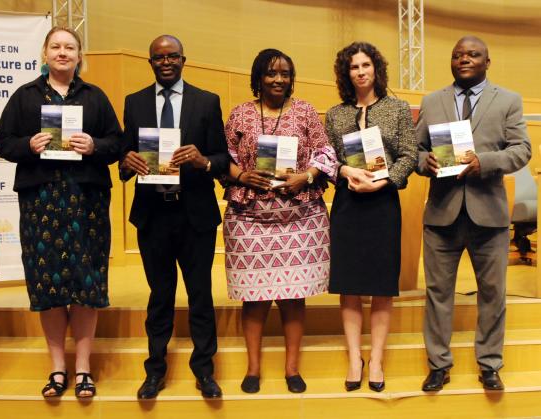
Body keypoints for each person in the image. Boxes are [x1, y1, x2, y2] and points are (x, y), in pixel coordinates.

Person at [0, 27, 122, 398]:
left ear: (80, 56)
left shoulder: (95, 97)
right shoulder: (25, 96)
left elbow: (117, 142)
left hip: (87, 202)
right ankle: (57, 369)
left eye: (70, 47)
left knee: (86, 281)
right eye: (56, 46)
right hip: (41, 203)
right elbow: (3, 141)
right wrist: (27, 145)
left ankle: (83, 369)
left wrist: (95, 144)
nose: (63, 52)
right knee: (47, 283)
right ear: (45, 53)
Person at [416, 36, 530, 392]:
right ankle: (438, 365)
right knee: (438, 293)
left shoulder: (508, 100)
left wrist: (485, 162)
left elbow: (521, 150)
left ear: (487, 61)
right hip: (441, 215)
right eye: (457, 55)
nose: (464, 59)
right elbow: (415, 150)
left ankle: (490, 364)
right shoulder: (432, 101)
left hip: (489, 217)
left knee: (493, 293)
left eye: (472, 54)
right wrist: (425, 162)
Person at [120, 35, 229, 399]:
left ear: (184, 59)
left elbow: (223, 159)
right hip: (153, 215)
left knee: (200, 295)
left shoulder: (207, 101)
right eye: (158, 57)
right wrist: (127, 160)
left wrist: (204, 161)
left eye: (172, 56)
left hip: (194, 213)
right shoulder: (133, 103)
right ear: (149, 62)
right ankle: (155, 371)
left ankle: (204, 371)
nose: (165, 62)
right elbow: (122, 155)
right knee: (160, 296)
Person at [223, 49, 339, 394]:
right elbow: (223, 157)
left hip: (299, 218)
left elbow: (326, 151)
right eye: (271, 73)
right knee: (254, 298)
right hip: (250, 219)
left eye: (285, 73)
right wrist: (243, 175)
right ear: (258, 77)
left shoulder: (304, 111)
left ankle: (291, 370)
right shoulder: (240, 114)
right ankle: (253, 370)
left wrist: (307, 175)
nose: (279, 79)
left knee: (293, 297)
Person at [325, 42, 417, 392]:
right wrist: (347, 171)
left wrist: (384, 181)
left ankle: (376, 358)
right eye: (353, 67)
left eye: (366, 65)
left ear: (376, 68)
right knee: (348, 286)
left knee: (381, 286)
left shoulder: (396, 109)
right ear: (346, 73)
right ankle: (354, 357)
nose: (360, 71)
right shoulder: (335, 114)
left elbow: (409, 155)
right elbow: (327, 158)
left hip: (383, 206)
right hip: (348, 206)